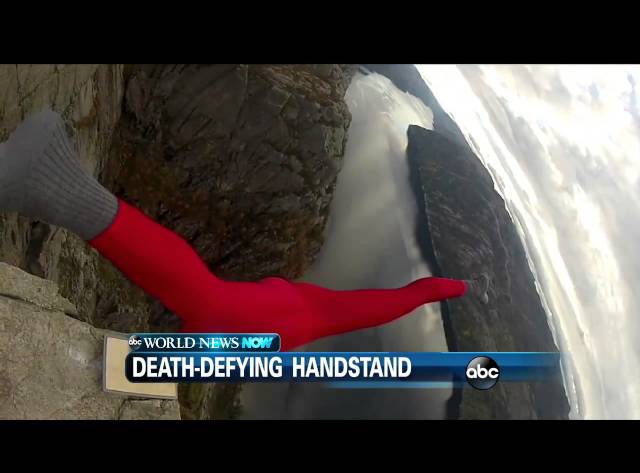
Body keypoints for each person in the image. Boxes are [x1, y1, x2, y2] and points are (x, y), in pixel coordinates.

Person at [0, 110, 489, 351]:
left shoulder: (331, 309)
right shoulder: (324, 322)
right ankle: (51, 178)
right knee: (203, 307)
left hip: (285, 313)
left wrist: (457, 287)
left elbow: (408, 296)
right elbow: (405, 301)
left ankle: (52, 178)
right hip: (277, 331)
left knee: (204, 303)